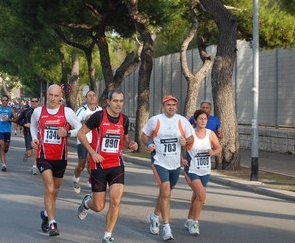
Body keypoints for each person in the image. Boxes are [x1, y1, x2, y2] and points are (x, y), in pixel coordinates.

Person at [76, 89, 138, 243]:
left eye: (121, 101)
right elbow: (81, 134)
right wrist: (92, 153)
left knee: (116, 201)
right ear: (109, 101)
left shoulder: (124, 119)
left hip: (117, 164)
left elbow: (123, 139)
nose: (118, 104)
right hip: (99, 165)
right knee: (98, 206)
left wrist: (130, 144)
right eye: (115, 101)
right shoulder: (99, 116)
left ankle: (107, 236)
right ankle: (86, 202)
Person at [30, 84, 81, 237]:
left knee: (55, 191)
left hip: (60, 157)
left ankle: (46, 214)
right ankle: (53, 224)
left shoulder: (67, 112)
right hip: (43, 156)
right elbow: (33, 126)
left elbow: (81, 128)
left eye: (55, 96)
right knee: (50, 189)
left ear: (61, 97)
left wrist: (68, 132)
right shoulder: (39, 112)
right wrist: (34, 138)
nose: (52, 98)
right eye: (50, 95)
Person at [140, 95, 194, 240]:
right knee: (166, 192)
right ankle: (167, 228)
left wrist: (185, 141)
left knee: (165, 193)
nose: (171, 107)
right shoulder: (155, 120)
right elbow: (144, 136)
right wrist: (148, 144)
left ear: (176, 107)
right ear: (163, 106)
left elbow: (191, 138)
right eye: (168, 105)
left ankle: (154, 216)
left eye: (173, 105)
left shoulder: (182, 121)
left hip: (175, 163)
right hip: (159, 162)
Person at [184, 109, 222, 235]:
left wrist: (213, 152)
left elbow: (219, 148)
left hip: (205, 170)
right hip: (191, 169)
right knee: (201, 195)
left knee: (196, 196)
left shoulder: (210, 134)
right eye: (200, 119)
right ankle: (195, 223)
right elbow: (179, 148)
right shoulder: (191, 135)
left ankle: (189, 219)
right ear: (195, 120)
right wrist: (181, 160)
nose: (203, 121)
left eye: (205, 119)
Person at [72, 90, 102, 193]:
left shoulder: (100, 110)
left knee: (91, 162)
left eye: (94, 95)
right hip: (83, 139)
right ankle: (76, 177)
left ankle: (90, 178)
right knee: (81, 165)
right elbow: (74, 124)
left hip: (95, 140)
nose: (92, 97)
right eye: (89, 95)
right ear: (86, 99)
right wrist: (86, 121)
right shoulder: (82, 110)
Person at [0, 95, 18, 172]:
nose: (4, 101)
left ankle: (3, 152)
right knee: (2, 145)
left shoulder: (11, 109)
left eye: (5, 100)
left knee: (5, 147)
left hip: (7, 131)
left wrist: (9, 119)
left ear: (8, 101)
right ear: (1, 101)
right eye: (2, 100)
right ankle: (3, 164)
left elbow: (16, 119)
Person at [16, 95, 40, 175]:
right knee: (30, 153)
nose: (34, 103)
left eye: (36, 101)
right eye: (32, 101)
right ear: (30, 102)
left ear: (38, 102)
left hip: (38, 134)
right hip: (28, 134)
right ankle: (27, 153)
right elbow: (18, 120)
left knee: (36, 150)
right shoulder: (26, 112)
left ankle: (34, 167)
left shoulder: (42, 111)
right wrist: (25, 124)